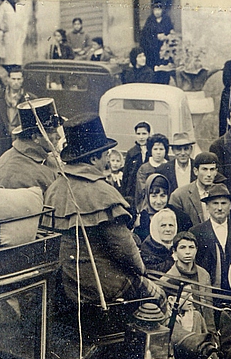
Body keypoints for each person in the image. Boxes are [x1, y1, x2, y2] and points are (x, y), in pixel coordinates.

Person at [44, 114, 163, 311]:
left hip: (65, 283)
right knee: (160, 300)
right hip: (100, 285)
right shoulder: (102, 192)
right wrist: (142, 272)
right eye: (105, 154)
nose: (108, 158)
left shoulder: (55, 188)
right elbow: (125, 251)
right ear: (93, 158)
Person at [0, 97, 64, 195]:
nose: (59, 136)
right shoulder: (14, 172)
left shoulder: (44, 157)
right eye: (53, 132)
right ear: (35, 137)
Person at [189, 183, 231, 300]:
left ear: (230, 206)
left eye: (224, 203)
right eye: (215, 203)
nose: (220, 208)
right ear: (207, 206)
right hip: (208, 293)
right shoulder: (196, 231)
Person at [0, 65, 30, 164]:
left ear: (22, 80)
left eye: (19, 79)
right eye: (13, 79)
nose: (16, 82)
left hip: (20, 140)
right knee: (1, 165)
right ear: (8, 79)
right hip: (1, 140)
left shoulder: (29, 99)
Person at [169, 152, 219, 228]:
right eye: (204, 169)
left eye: (212, 169)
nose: (209, 174)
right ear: (196, 171)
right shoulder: (179, 195)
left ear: (216, 172)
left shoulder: (221, 192)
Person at [139, 3, 175, 84]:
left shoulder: (166, 19)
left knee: (164, 66)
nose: (157, 12)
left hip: (164, 48)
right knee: (153, 65)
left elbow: (171, 30)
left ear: (162, 10)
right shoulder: (150, 20)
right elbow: (146, 34)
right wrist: (156, 36)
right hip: (153, 47)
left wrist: (167, 36)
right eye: (155, 10)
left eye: (159, 9)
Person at [0, 0, 27, 72]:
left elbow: (24, 21)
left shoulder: (21, 6)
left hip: (19, 35)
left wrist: (23, 34)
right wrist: (5, 28)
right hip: (8, 36)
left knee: (18, 59)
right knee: (8, 61)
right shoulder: (3, 7)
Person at [140, 208, 181, 274]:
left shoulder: (178, 244)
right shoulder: (147, 247)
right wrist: (172, 259)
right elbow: (153, 272)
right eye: (163, 225)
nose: (168, 229)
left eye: (171, 225)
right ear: (156, 228)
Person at [121, 121, 153, 203]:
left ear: (149, 134)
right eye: (138, 134)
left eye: (144, 134)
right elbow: (126, 176)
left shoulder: (153, 151)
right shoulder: (131, 153)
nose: (141, 137)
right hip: (133, 193)